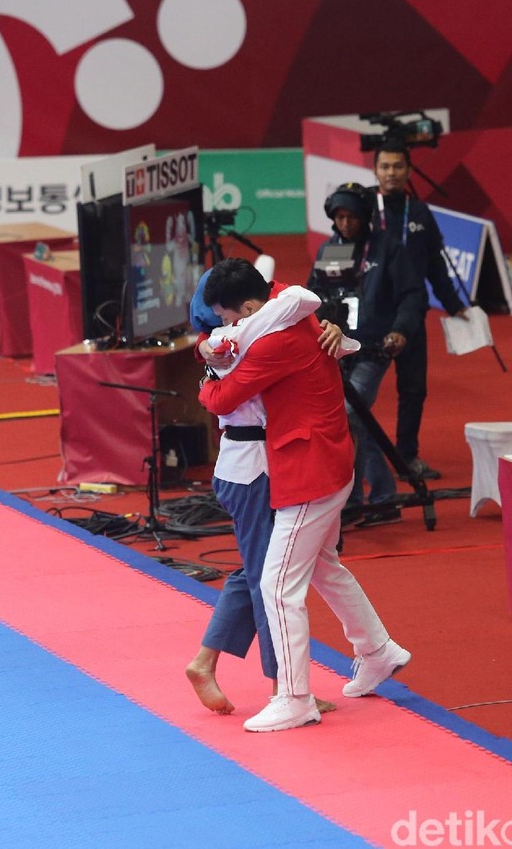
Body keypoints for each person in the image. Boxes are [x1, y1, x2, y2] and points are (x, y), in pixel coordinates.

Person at [199, 258, 411, 733]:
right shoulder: (288, 307)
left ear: (249, 308)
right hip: (325, 460)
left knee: (276, 585)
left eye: (229, 318)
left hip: (310, 470)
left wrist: (208, 376)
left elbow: (223, 398)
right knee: (322, 567)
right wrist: (210, 346)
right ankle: (378, 651)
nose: (226, 327)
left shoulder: (273, 341)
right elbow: (274, 302)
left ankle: (294, 697)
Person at [186, 267, 349, 715]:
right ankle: (285, 686)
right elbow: (294, 299)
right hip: (251, 471)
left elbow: (289, 298)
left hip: (258, 465)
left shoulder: (245, 331)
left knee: (255, 571)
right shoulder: (233, 343)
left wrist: (330, 328)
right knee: (268, 581)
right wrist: (206, 369)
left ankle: (204, 662)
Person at [308, 182, 424, 524]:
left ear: (365, 216)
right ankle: (376, 500)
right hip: (336, 349)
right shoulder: (329, 249)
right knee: (357, 419)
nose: (345, 223)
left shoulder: (388, 249)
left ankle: (361, 499)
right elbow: (313, 296)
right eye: (339, 217)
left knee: (350, 415)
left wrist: (400, 330)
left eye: (352, 217)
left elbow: (412, 295)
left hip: (373, 349)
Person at [372, 139, 469, 480]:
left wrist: (454, 305)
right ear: (375, 170)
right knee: (359, 392)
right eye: (385, 166)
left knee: (413, 389)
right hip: (372, 314)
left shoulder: (419, 212)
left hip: (411, 313)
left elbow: (435, 266)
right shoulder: (364, 208)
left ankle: (407, 457)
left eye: (398, 166)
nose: (392, 173)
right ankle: (354, 461)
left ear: (409, 170)